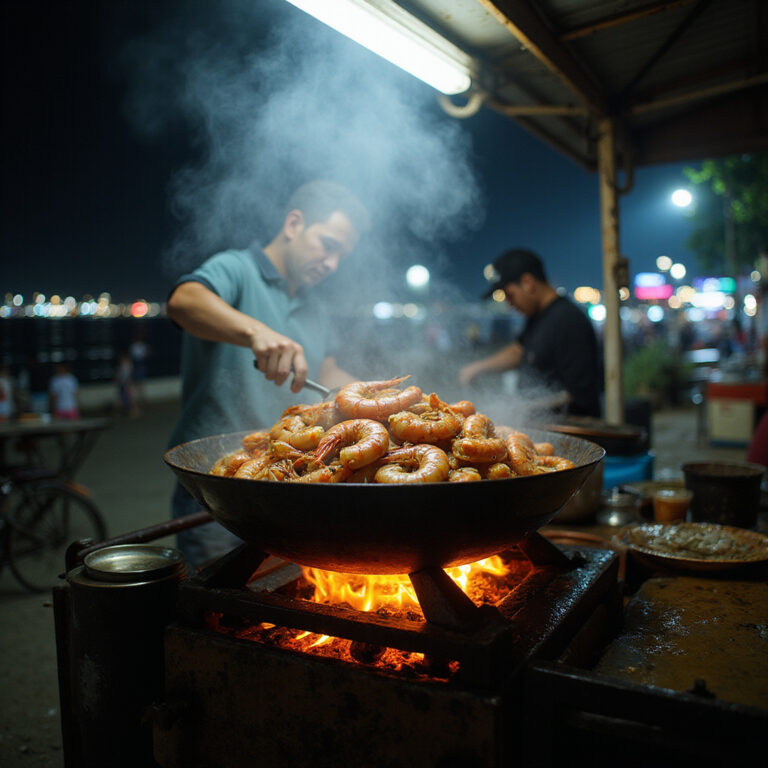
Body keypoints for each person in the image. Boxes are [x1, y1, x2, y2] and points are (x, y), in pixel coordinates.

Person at [166, 180, 370, 568]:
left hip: (290, 484)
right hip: (222, 484)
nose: (332, 264)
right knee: (222, 604)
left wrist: (364, 392)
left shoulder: (314, 304)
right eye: (328, 245)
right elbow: (184, 301)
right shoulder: (237, 268)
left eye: (342, 256)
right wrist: (256, 331)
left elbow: (326, 368)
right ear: (294, 224)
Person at [458, 248, 601, 418]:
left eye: (509, 295)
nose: (509, 304)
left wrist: (521, 407)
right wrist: (476, 368)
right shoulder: (538, 317)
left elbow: (577, 394)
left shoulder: (568, 320)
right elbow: (519, 351)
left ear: (528, 282)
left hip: (572, 429)